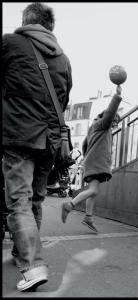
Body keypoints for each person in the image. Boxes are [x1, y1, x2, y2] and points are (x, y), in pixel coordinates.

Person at [2, 3, 72, 292]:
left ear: (26, 21)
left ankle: (32, 266)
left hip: (19, 134)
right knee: (35, 201)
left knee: (18, 201)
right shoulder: (64, 59)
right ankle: (21, 253)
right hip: (51, 140)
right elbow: (64, 100)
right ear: (50, 26)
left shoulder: (10, 43)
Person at [61, 86, 123, 232]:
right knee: (93, 191)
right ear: (107, 118)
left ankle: (88, 217)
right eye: (114, 121)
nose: (114, 124)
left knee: (93, 191)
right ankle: (70, 205)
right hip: (96, 162)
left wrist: (87, 156)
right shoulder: (102, 125)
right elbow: (110, 113)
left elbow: (84, 144)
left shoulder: (95, 127)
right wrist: (117, 97)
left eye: (116, 123)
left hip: (93, 161)